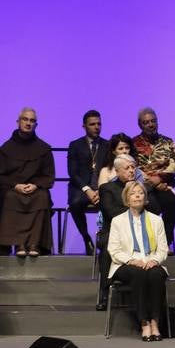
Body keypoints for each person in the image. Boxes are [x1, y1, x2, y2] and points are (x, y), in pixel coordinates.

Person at [106, 180, 169, 340]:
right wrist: (131, 260)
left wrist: (154, 260)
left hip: (150, 260)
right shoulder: (117, 221)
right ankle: (144, 322)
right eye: (133, 193)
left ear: (145, 198)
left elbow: (163, 249)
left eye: (140, 193)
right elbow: (114, 250)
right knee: (138, 274)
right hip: (125, 264)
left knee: (156, 274)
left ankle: (155, 321)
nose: (137, 196)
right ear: (127, 198)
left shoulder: (156, 220)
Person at [0, 107, 56, 257]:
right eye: (25, 119)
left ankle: (34, 244)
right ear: (18, 122)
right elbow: (1, 175)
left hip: (36, 189)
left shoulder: (43, 149)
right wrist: (15, 185)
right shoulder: (6, 148)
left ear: (36, 125)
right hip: (13, 189)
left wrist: (36, 185)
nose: (28, 123)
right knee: (11, 197)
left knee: (42, 197)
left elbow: (49, 176)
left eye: (32, 120)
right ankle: (18, 243)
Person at [131, 107, 175, 245]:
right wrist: (152, 182)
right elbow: (132, 167)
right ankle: (148, 244)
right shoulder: (133, 143)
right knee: (151, 206)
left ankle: (166, 243)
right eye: (146, 122)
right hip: (143, 186)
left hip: (164, 184)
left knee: (170, 201)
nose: (150, 125)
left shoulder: (168, 141)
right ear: (140, 125)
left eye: (153, 121)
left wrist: (159, 179)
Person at [96, 154, 138, 310]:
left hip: (138, 232)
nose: (131, 171)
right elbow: (111, 212)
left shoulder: (141, 188)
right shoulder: (107, 189)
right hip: (113, 233)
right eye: (127, 168)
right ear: (118, 171)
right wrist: (136, 207)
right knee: (108, 245)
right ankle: (104, 291)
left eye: (133, 167)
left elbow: (154, 208)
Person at [65, 109, 108, 256]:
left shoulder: (107, 145)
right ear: (84, 126)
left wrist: (100, 189)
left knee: (113, 202)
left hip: (102, 187)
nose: (97, 127)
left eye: (99, 124)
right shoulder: (75, 145)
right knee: (75, 203)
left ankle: (105, 240)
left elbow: (111, 170)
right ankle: (86, 237)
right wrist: (87, 189)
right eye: (92, 124)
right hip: (80, 187)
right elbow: (73, 172)